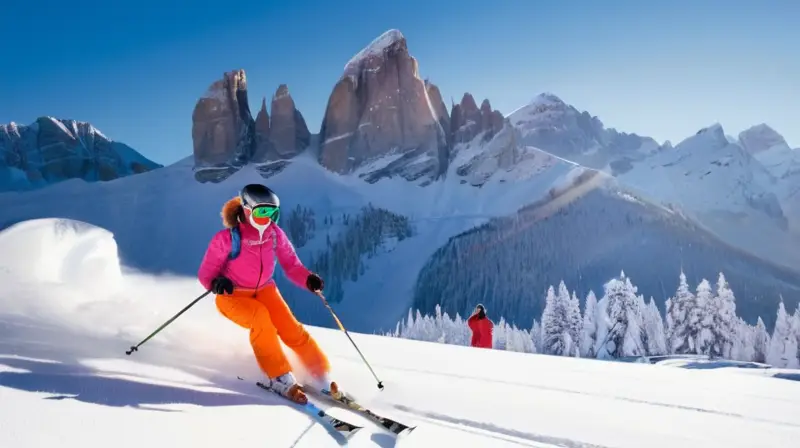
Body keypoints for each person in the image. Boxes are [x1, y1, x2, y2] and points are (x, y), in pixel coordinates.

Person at [197, 183, 339, 405]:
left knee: (291, 327)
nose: (268, 218)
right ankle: (279, 376)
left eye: (273, 213)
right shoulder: (227, 239)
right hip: (232, 296)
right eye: (262, 211)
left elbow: (291, 265)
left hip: (265, 290)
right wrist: (216, 282)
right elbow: (206, 274)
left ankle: (319, 373)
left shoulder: (274, 234)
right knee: (261, 318)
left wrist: (307, 278)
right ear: (246, 209)